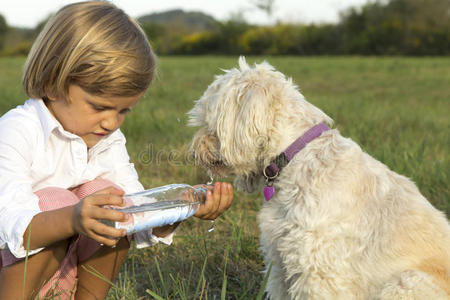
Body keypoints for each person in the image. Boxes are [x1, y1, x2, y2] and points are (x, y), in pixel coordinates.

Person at [0, 1, 233, 299]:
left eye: (124, 111)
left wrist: (177, 207)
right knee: (55, 201)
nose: (111, 122)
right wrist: (71, 218)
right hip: (12, 275)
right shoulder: (16, 131)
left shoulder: (107, 138)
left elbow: (135, 213)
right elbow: (14, 227)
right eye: (99, 107)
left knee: (115, 204)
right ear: (52, 84)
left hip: (62, 274)